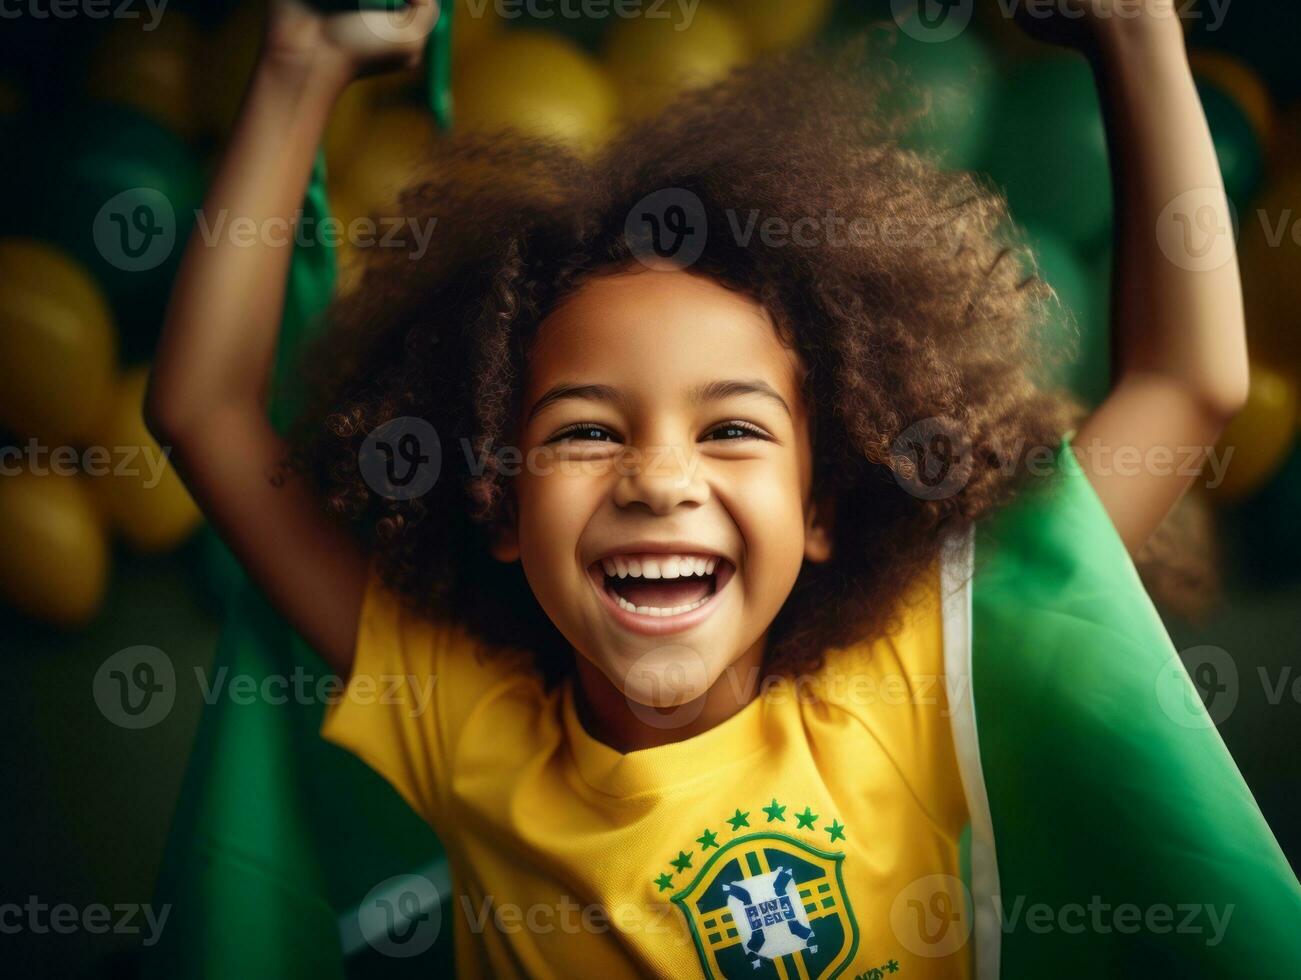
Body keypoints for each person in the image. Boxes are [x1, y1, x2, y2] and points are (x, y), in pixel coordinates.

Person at [147, 1, 1297, 976]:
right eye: (585, 429)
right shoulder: (459, 712)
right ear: (497, 505)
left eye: (733, 427)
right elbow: (201, 410)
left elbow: (1185, 382)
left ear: (821, 505)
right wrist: (299, 66)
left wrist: (1134, 32)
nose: (656, 478)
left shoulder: (920, 666)